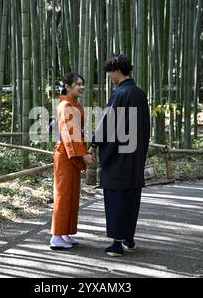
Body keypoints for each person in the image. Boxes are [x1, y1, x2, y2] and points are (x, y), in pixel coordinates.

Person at [89, 54, 150, 257]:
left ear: (116, 71)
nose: (108, 76)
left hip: (118, 157)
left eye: (109, 71)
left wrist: (94, 143)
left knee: (116, 199)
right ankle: (129, 239)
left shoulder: (120, 94)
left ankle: (116, 244)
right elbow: (145, 128)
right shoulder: (140, 94)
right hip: (135, 156)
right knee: (132, 198)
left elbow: (107, 122)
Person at [50, 73, 95, 250]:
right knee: (63, 194)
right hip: (65, 153)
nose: (81, 87)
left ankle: (65, 232)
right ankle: (56, 236)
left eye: (82, 84)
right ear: (67, 87)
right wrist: (83, 154)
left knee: (72, 193)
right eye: (78, 84)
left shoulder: (72, 104)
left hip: (70, 152)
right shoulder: (66, 105)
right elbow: (71, 133)